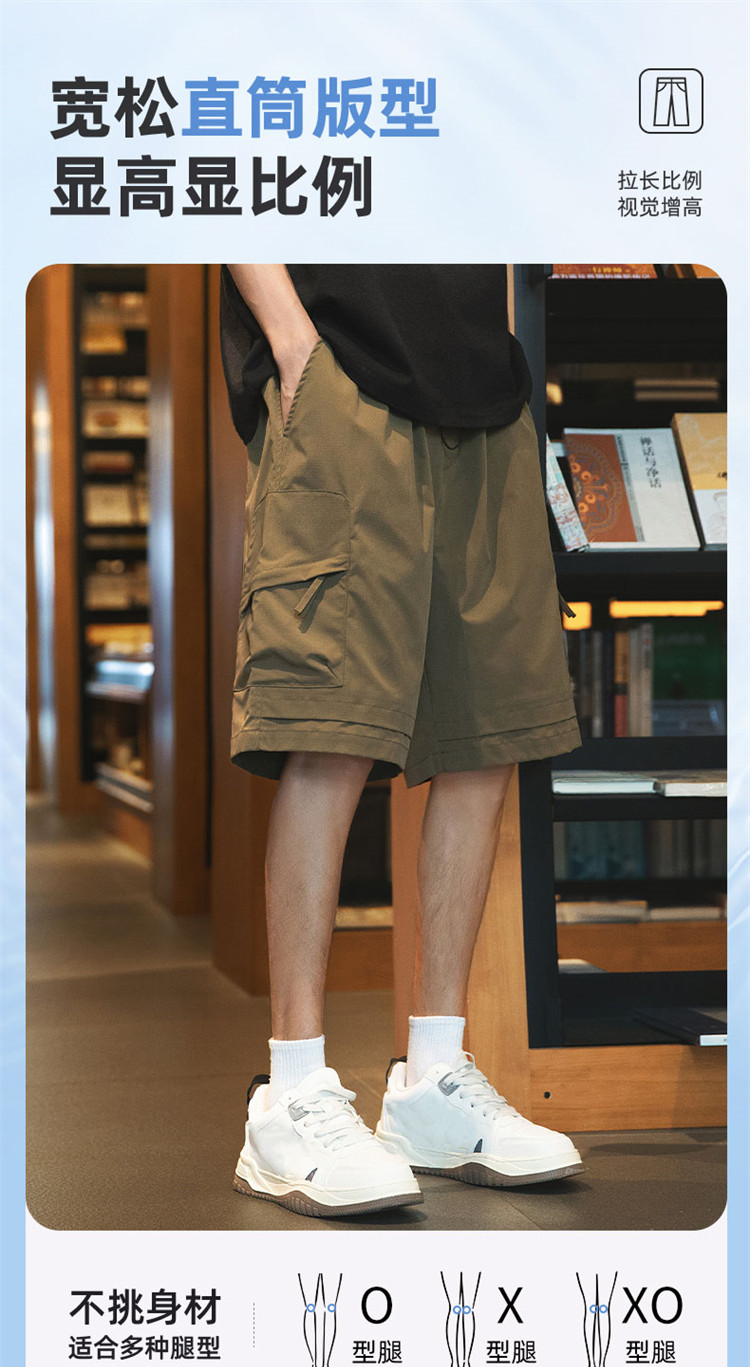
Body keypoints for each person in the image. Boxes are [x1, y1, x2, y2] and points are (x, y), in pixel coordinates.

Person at [219, 264, 585, 1219]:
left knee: (486, 735)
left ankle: (432, 1079)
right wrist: (292, 342)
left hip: (486, 391)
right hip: (341, 372)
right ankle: (290, 1096)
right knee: (330, 729)